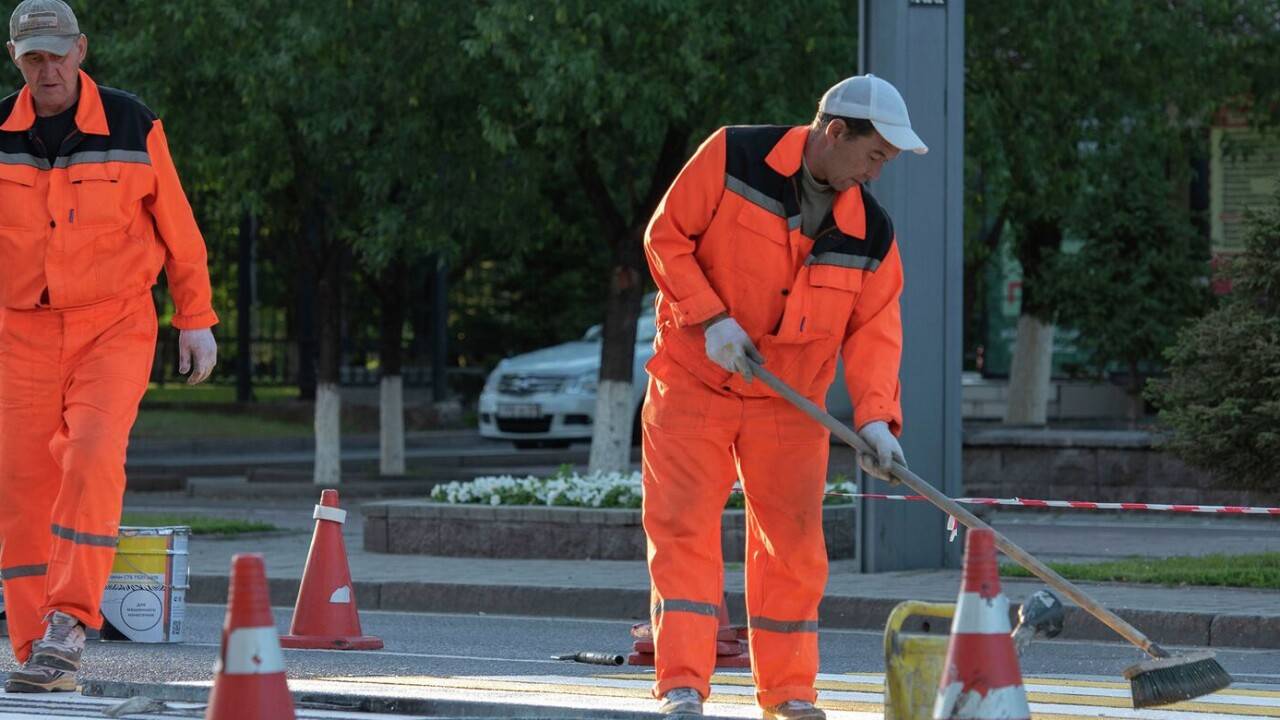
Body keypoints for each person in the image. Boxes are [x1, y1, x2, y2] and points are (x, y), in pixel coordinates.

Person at [640, 74, 925, 718]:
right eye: (876, 155)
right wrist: (711, 319)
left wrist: (878, 420)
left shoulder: (871, 233)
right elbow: (665, 239)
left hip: (790, 404)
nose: (878, 173)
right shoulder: (731, 156)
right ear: (835, 133)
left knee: (793, 549)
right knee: (684, 532)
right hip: (695, 381)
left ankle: (792, 695)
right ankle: (683, 685)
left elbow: (876, 332)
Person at [0, 0, 218, 692]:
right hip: (20, 332)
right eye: (33, 56)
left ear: (81, 50)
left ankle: (70, 618)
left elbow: (178, 228)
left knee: (92, 454)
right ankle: (39, 648)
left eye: (57, 53)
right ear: (15, 58)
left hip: (113, 324)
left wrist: (197, 317)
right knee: (23, 484)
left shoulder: (132, 123)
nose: (47, 68)